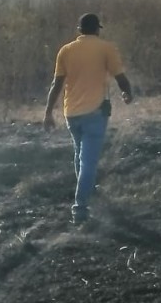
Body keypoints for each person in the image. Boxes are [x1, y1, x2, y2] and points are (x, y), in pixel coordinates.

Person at [44, 13, 133, 224]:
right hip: (95, 113)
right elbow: (120, 77)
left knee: (79, 155)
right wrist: (127, 93)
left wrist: (48, 113)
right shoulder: (106, 48)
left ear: (79, 30)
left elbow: (56, 85)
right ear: (97, 29)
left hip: (71, 114)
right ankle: (80, 209)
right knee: (88, 163)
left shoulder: (65, 50)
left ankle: (88, 188)